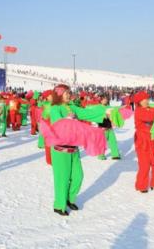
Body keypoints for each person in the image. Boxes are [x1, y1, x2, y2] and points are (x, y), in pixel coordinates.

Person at [49, 84, 107, 216]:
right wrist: (67, 120)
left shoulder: (72, 107)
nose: (69, 95)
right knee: (62, 179)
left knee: (78, 176)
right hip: (60, 150)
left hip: (73, 148)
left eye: (69, 92)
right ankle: (59, 205)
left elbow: (86, 113)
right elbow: (58, 125)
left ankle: (69, 199)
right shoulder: (55, 108)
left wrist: (105, 111)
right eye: (66, 93)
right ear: (59, 94)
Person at [96, 94, 121, 160]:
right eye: (103, 99)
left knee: (113, 141)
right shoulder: (98, 107)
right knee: (102, 143)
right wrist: (104, 115)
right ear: (100, 100)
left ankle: (115, 154)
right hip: (102, 128)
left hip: (109, 128)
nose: (105, 100)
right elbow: (96, 116)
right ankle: (101, 155)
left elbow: (114, 114)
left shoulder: (109, 107)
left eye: (106, 99)